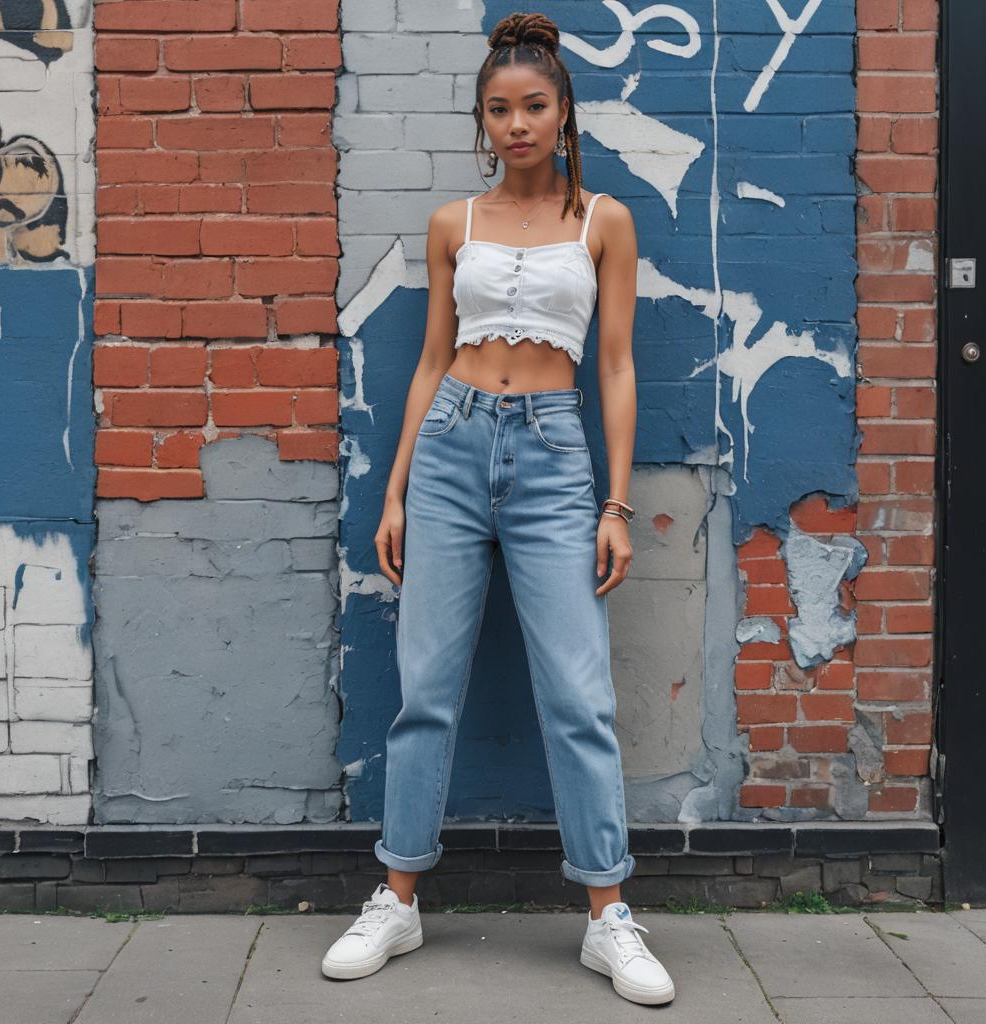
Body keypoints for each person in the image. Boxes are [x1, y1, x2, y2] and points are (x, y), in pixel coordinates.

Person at [321, 11, 675, 1006]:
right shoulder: (454, 225)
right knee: (425, 682)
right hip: (447, 454)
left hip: (557, 457)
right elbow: (431, 360)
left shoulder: (602, 220)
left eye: (532, 106)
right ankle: (398, 896)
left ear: (563, 114)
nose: (514, 123)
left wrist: (614, 500)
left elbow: (613, 364)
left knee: (577, 691)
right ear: (482, 121)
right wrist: (393, 490)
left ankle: (608, 914)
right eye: (497, 110)